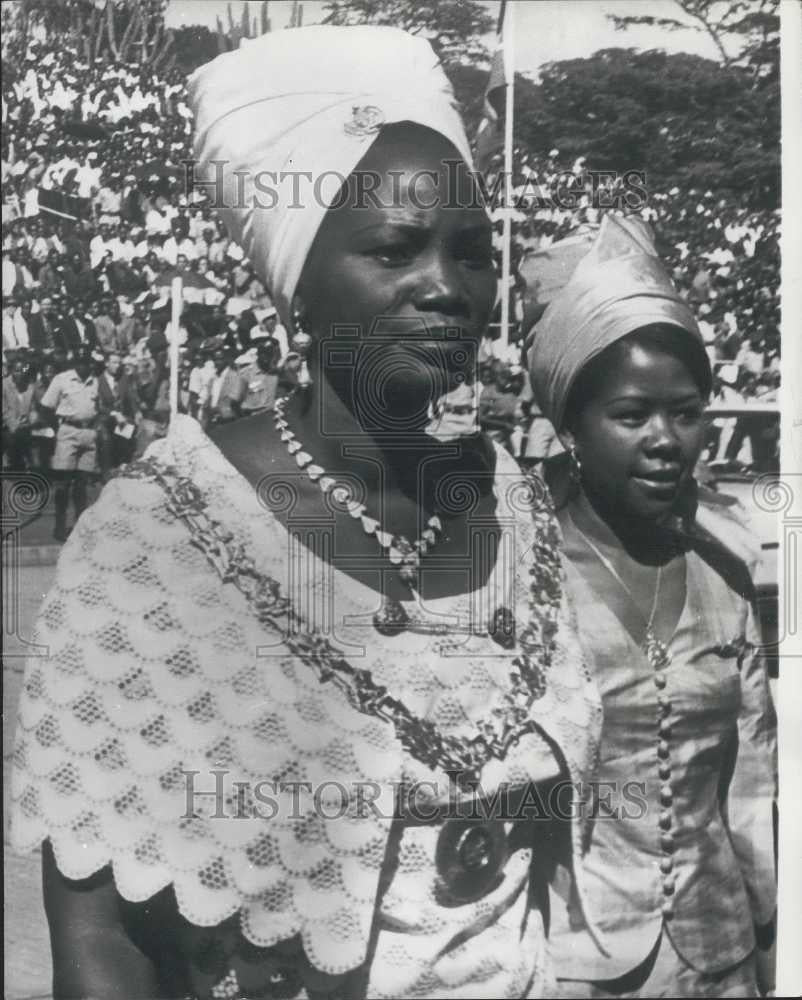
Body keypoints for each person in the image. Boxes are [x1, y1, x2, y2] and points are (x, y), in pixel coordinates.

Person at [11, 26, 601, 1000]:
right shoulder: (159, 538)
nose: (445, 288)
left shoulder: (519, 511)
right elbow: (100, 940)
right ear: (299, 286)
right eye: (393, 250)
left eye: (470, 253)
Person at [528, 215, 777, 998]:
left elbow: (751, 788)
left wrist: (764, 947)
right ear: (571, 425)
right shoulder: (522, 577)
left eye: (687, 412)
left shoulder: (726, 572)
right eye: (632, 415)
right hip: (574, 963)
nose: (666, 439)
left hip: (722, 958)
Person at [37, 344, 102, 540]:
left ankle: (80, 527)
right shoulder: (62, 379)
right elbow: (46, 407)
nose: (83, 366)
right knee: (63, 483)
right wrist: (58, 429)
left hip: (88, 433)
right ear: (74, 363)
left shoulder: (95, 381)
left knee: (82, 483)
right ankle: (59, 525)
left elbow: (99, 406)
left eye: (86, 362)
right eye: (79, 362)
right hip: (68, 431)